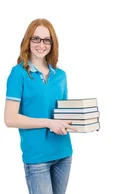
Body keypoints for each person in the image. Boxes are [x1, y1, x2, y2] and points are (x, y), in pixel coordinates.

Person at [4, 18, 75, 194]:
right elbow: (10, 118)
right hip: (37, 158)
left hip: (63, 153)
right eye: (36, 38)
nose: (41, 44)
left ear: (52, 43)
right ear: (28, 41)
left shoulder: (61, 75)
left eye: (46, 40)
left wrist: (84, 122)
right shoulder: (18, 73)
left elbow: (62, 114)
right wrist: (48, 123)